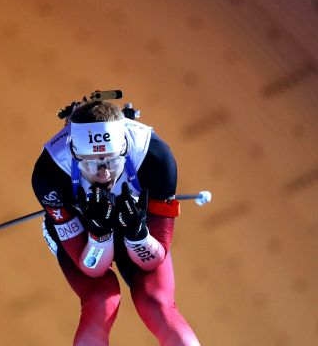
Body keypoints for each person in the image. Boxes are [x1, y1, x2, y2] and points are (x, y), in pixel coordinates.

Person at [31, 98, 200, 346]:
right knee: (100, 297)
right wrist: (100, 234)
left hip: (131, 219)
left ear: (125, 149)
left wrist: (137, 234)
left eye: (111, 160)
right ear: (74, 156)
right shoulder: (50, 172)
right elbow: (92, 269)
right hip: (81, 228)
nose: (104, 173)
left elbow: (154, 259)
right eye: (91, 163)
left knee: (155, 301)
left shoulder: (155, 157)